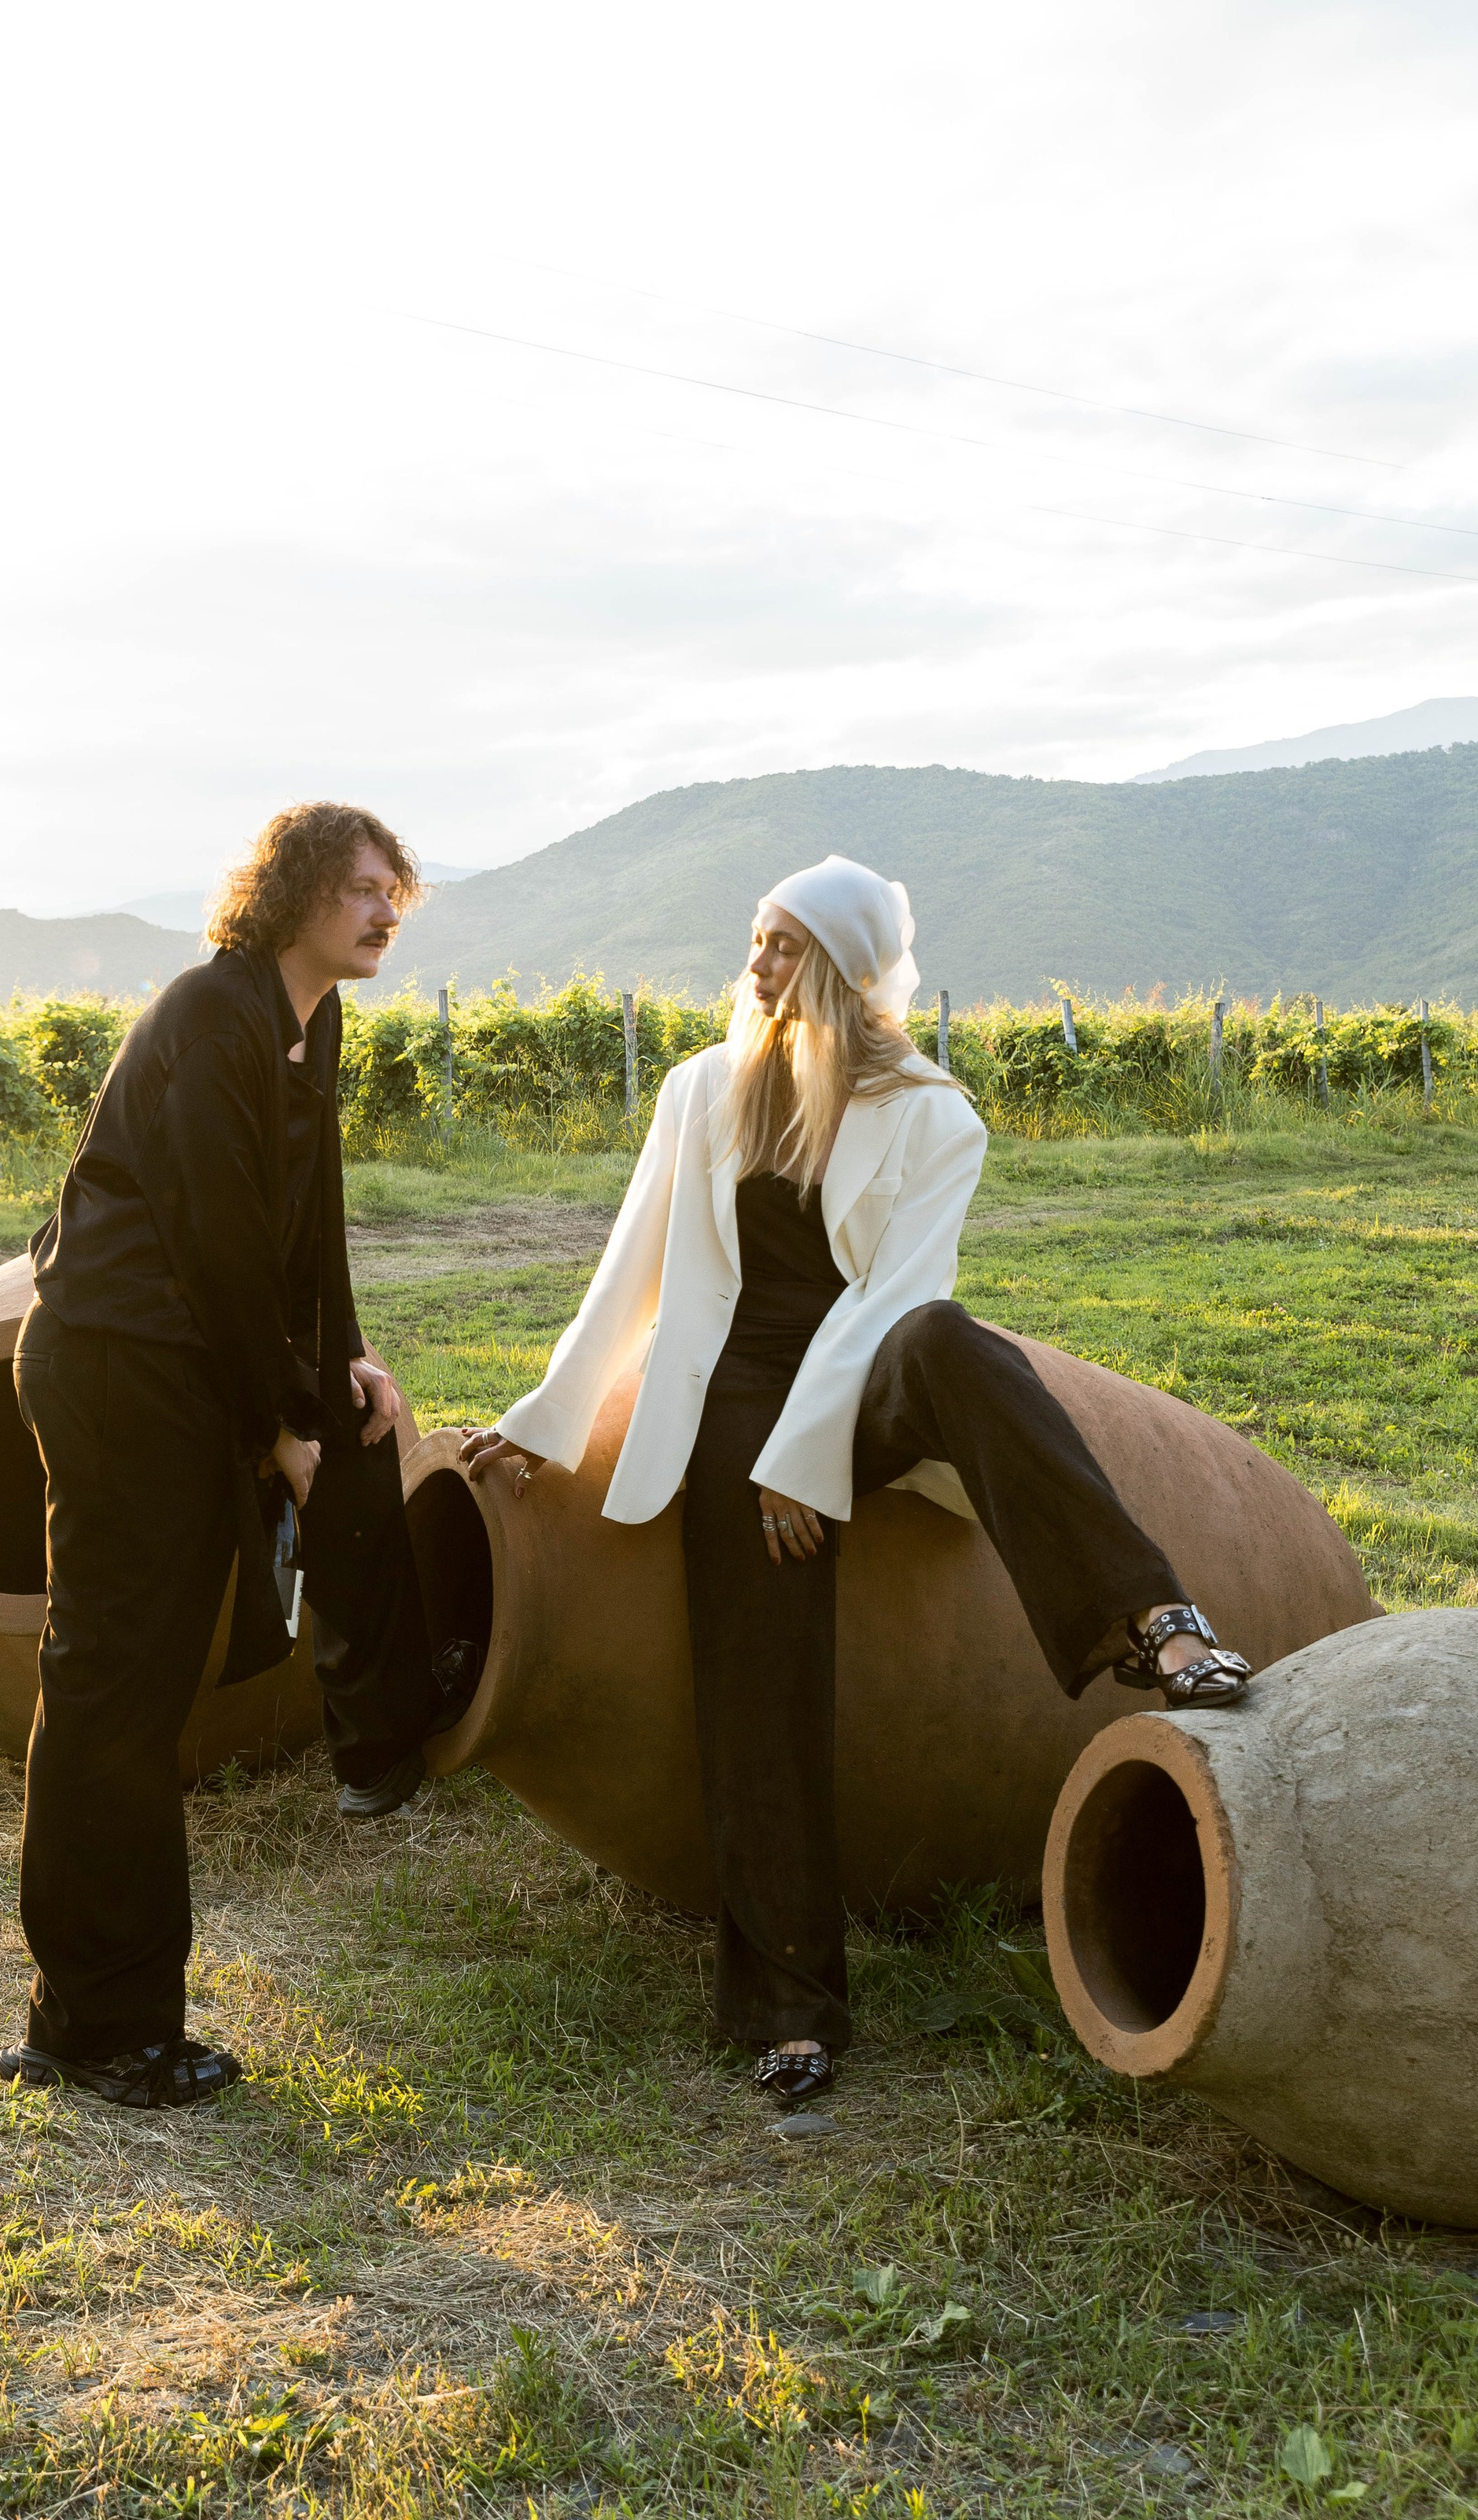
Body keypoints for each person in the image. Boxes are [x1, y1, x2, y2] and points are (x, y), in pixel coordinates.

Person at [462, 857, 1250, 2109]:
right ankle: (789, 2008)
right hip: (725, 1390)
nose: (758, 963)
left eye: (783, 945)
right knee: (756, 1678)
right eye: (757, 940)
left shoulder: (939, 1113)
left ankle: (1154, 1618)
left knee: (956, 1342)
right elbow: (634, 1272)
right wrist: (542, 1423)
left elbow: (897, 1297)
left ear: (838, 965)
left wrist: (809, 1458)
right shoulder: (702, 1087)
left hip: (866, 1374)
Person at [2, 802, 467, 2110]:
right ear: (297, 891)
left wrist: (346, 1369)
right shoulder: (215, 1016)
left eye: (396, 892)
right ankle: (98, 2029)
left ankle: (378, 1744)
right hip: (115, 1371)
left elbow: (303, 1232)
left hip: (174, 1369)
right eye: (365, 887)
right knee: (113, 1698)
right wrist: (281, 1424)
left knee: (133, 1695)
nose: (386, 912)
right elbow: (214, 1240)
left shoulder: (306, 1027)